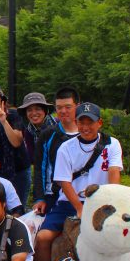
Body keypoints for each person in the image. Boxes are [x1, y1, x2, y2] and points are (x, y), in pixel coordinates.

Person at [33, 102, 123, 261]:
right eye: (81, 122)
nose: (85, 127)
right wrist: (79, 208)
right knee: (43, 238)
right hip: (70, 202)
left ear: (100, 123)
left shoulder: (111, 144)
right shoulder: (66, 148)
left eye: (90, 122)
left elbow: (114, 172)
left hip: (101, 201)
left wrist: (113, 202)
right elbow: (63, 181)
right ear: (76, 122)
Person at [32, 87, 80, 216]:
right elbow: (39, 168)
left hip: (82, 194)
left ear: (78, 106)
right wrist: (39, 198)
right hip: (54, 195)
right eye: (59, 107)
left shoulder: (88, 134)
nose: (63, 111)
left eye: (68, 107)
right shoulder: (48, 134)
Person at [17, 92, 56, 170]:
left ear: (45, 111)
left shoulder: (58, 125)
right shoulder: (28, 131)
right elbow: (32, 158)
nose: (34, 113)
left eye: (38, 109)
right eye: (29, 110)